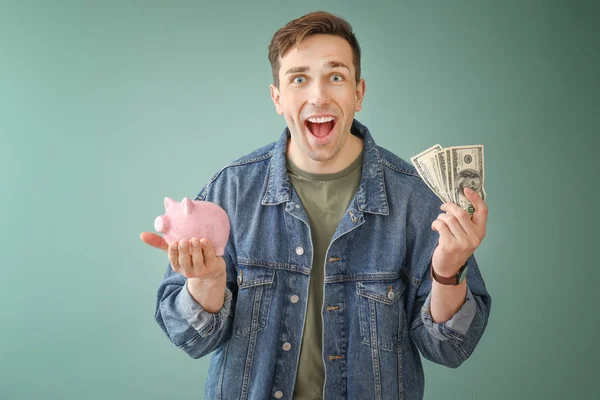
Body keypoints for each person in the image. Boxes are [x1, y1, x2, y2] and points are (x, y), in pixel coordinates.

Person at [141, 10, 491, 400]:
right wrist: (206, 283)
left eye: (335, 77)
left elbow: (450, 348)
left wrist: (447, 272)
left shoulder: (417, 199)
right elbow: (187, 337)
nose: (318, 96)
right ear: (277, 97)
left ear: (358, 93)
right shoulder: (232, 190)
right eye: (299, 79)